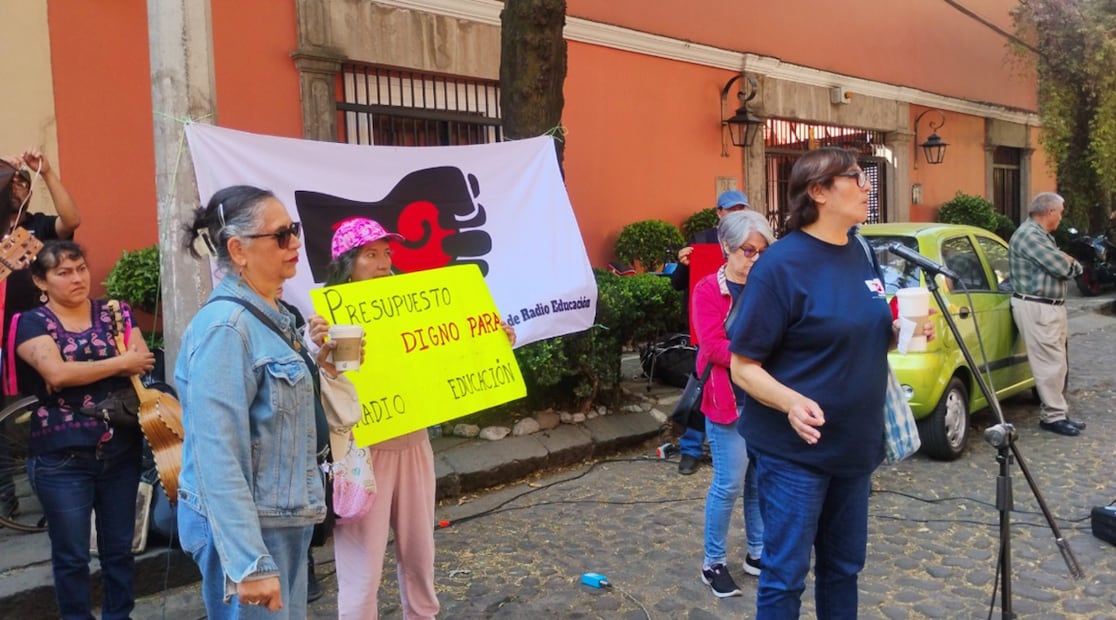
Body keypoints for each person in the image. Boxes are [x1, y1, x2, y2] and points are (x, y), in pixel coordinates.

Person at [727, 147, 933, 618]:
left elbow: (858, 334)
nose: (867, 186)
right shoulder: (780, 266)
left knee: (843, 568)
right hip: (795, 453)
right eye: (856, 177)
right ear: (818, 192)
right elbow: (743, 365)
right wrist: (791, 402)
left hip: (854, 448)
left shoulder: (861, 251)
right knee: (785, 576)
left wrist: (904, 331)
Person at [312, 217, 515, 619]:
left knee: (420, 557)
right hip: (360, 457)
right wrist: (318, 348)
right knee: (361, 570)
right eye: (371, 254)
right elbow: (317, 386)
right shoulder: (322, 322)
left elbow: (446, 351)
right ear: (346, 262)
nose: (384, 261)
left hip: (414, 444)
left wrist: (492, 343)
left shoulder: (413, 307)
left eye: (387, 253)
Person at [177, 185, 328, 618]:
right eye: (281, 235)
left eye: (293, 230)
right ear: (238, 250)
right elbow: (216, 453)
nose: (295, 243)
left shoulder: (273, 316)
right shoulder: (227, 328)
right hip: (252, 529)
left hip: (281, 518)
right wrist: (249, 562)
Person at [14, 241, 155, 619]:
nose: (76, 278)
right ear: (41, 281)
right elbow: (55, 372)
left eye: (80, 268)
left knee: (119, 551)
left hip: (121, 449)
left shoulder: (115, 311)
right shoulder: (32, 322)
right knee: (72, 556)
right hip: (62, 457)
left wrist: (112, 365)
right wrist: (119, 362)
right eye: (63, 272)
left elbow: (140, 361)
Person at [694, 210, 772, 598]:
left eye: (762, 251)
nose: (755, 258)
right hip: (727, 401)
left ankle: (756, 553)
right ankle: (713, 563)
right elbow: (712, 346)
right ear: (726, 247)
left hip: (762, 402)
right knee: (728, 484)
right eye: (747, 250)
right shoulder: (709, 289)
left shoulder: (766, 287)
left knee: (758, 480)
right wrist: (756, 357)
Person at [0, 152, 81, 517]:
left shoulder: (37, 226)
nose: (19, 187)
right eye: (11, 182)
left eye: (21, 182)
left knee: (45, 411)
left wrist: (45, 172)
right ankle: (5, 502)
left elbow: (71, 219)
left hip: (37, 335)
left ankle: (55, 495)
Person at [670, 189, 751, 475]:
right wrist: (682, 265)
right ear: (719, 213)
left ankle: (732, 448)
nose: (737, 212)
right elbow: (678, 284)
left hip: (745, 327)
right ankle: (690, 448)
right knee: (702, 385)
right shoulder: (701, 240)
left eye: (742, 207)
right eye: (731, 209)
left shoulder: (754, 240)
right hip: (708, 330)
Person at [1008, 192, 1085, 437]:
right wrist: (1069, 261)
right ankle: (1053, 417)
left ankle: (1058, 412)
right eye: (1060, 213)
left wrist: (1067, 261)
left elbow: (1063, 264)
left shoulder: (1040, 236)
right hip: (1038, 305)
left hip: (1049, 305)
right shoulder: (1030, 236)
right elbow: (1062, 266)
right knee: (1050, 363)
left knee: (1057, 361)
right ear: (1049, 212)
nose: (1061, 218)